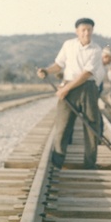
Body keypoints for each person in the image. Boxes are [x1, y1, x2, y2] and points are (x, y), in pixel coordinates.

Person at [37, 18, 104, 170]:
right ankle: (57, 164)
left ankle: (89, 164)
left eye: (89, 30)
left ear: (92, 31)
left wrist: (65, 89)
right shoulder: (68, 45)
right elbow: (59, 65)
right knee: (63, 126)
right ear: (77, 31)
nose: (86, 33)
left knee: (92, 126)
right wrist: (46, 71)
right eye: (83, 30)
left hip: (87, 88)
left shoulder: (96, 49)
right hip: (68, 86)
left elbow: (86, 74)